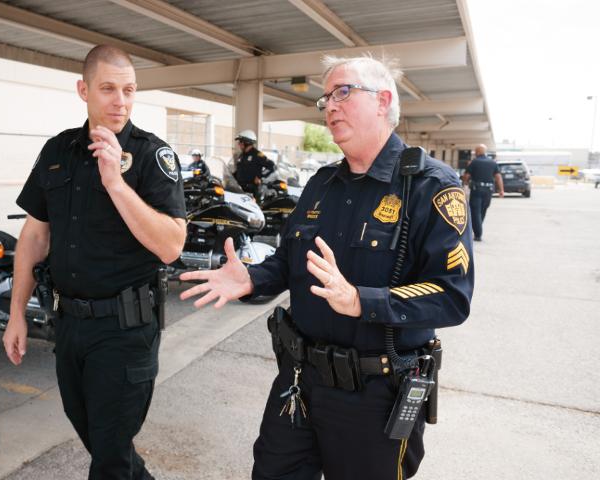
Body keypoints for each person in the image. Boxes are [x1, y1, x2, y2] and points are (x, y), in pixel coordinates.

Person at [179, 55, 474, 480]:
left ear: (382, 101)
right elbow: (288, 262)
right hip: (299, 381)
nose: (330, 106)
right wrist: (251, 277)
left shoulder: (432, 187)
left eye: (343, 92)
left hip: (374, 395)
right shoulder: (322, 183)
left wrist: (361, 300)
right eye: (326, 98)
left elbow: (452, 297)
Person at [3, 45, 186, 480]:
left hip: (124, 330)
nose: (120, 101)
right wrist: (15, 315)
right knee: (102, 442)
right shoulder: (58, 150)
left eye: (128, 90)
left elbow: (172, 246)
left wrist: (116, 184)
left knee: (109, 458)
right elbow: (34, 236)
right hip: (69, 324)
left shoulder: (150, 156)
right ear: (83, 90)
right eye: (108, 89)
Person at [462, 144, 504, 241]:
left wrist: (464, 183)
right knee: (482, 211)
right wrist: (501, 190)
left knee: (475, 212)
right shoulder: (493, 163)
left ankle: (478, 234)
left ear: (477, 152)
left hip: (477, 190)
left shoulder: (474, 162)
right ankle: (478, 229)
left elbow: (466, 176)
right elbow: (498, 177)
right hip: (488, 191)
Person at [232, 130, 275, 198]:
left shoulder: (257, 155)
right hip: (239, 188)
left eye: (240, 142)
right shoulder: (242, 155)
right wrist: (230, 177)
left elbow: (271, 166)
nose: (239, 144)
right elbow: (240, 170)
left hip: (251, 190)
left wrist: (259, 176)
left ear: (247, 142)